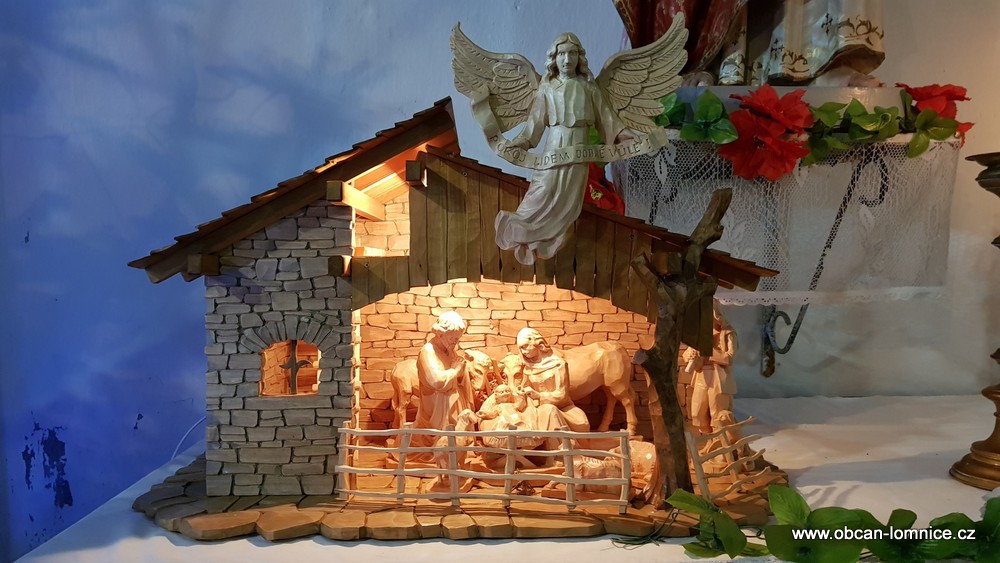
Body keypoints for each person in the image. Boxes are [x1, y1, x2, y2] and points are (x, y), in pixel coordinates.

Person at [495, 33, 630, 265]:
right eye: (562, 54)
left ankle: (543, 240)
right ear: (554, 58)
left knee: (568, 204)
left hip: (578, 152)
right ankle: (521, 227)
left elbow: (607, 120)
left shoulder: (588, 87)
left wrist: (623, 135)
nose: (567, 59)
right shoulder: (547, 87)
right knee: (542, 189)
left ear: (579, 57)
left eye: (572, 53)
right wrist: (522, 142)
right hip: (555, 146)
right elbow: (535, 124)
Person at [411, 311, 474, 445]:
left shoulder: (449, 349)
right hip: (436, 403)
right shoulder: (428, 352)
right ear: (440, 334)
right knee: (442, 437)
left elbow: (458, 373)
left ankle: (457, 444)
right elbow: (436, 381)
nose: (456, 342)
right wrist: (455, 370)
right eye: (453, 338)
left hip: (452, 399)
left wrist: (461, 371)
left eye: (458, 339)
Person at [511, 328, 590, 433]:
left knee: (550, 411)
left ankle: (561, 442)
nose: (523, 352)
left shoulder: (558, 365)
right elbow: (524, 393)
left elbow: (562, 395)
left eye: (525, 346)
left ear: (536, 342)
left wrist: (539, 396)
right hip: (535, 410)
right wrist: (521, 394)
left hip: (562, 409)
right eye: (520, 348)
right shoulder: (528, 369)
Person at [684, 306, 738, 435]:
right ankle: (708, 438)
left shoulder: (728, 333)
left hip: (718, 378)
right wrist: (689, 355)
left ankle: (718, 440)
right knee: (697, 412)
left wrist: (709, 350)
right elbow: (687, 354)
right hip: (701, 376)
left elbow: (729, 358)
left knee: (717, 413)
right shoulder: (700, 334)